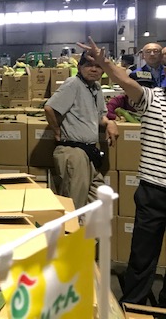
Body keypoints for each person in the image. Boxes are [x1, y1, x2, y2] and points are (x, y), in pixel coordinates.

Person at [79, 37, 166, 307]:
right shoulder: (152, 98)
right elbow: (127, 83)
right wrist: (105, 63)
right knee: (142, 253)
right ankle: (133, 303)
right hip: (153, 188)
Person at [43, 53, 119, 210]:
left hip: (89, 152)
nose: (93, 69)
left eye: (98, 66)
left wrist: (110, 123)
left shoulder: (96, 88)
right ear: (79, 67)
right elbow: (49, 108)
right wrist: (57, 131)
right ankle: (70, 227)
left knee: (97, 203)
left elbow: (100, 116)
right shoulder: (73, 83)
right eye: (88, 65)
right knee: (74, 206)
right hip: (74, 151)